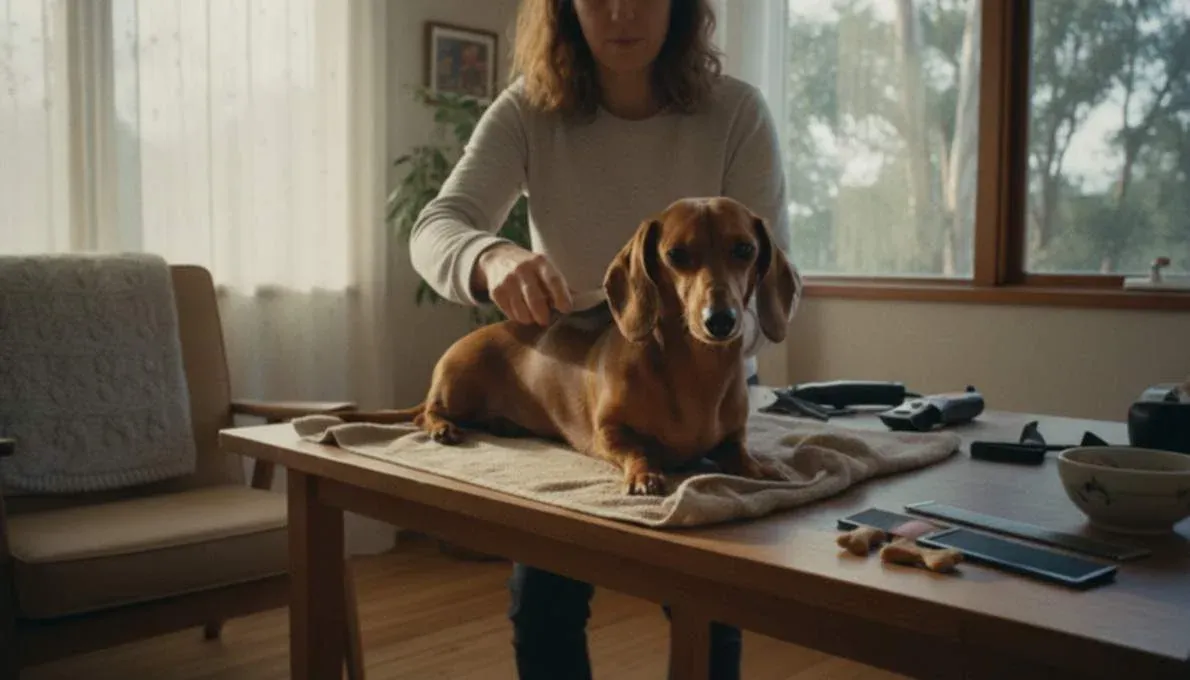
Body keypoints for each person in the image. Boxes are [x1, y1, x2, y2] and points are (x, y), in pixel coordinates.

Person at [409, 0, 800, 677]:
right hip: (584, 393)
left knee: (710, 603)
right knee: (544, 600)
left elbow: (758, 279)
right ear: (564, 9)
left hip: (712, 396)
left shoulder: (736, 112)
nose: (622, 12)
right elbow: (438, 224)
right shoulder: (527, 112)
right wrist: (490, 258)